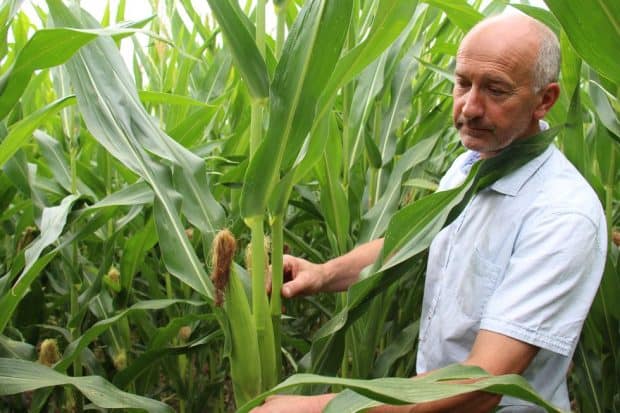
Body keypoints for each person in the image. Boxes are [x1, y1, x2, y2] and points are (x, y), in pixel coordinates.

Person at [252, 12, 607, 413]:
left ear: (545, 100)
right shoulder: (473, 163)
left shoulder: (562, 215)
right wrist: (323, 274)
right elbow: (421, 239)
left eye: (496, 90)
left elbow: (482, 386)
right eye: (463, 83)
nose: (470, 107)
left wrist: (318, 410)